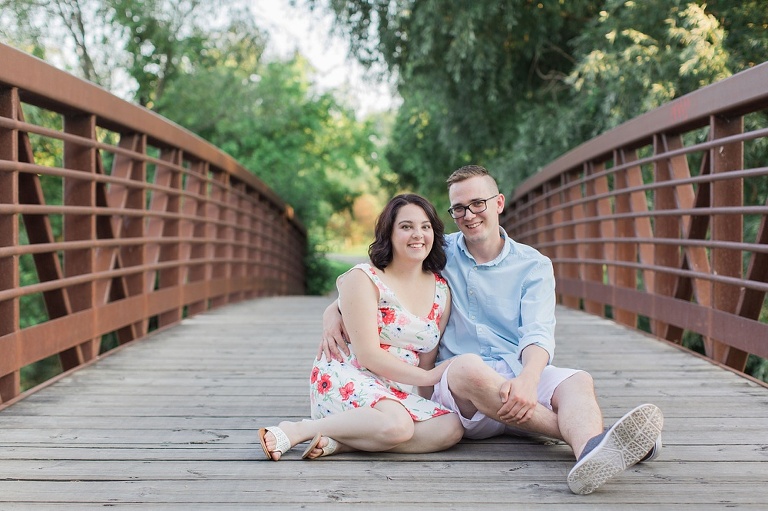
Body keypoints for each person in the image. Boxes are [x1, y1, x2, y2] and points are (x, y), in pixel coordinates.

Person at [320, 165, 664, 494]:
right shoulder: (438, 250)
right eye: (459, 208)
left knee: (578, 381)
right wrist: (334, 308)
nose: (469, 215)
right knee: (468, 365)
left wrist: (528, 380)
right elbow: (380, 277)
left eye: (478, 204)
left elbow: (538, 333)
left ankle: (589, 455)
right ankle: (601, 438)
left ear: (498, 203)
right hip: (458, 390)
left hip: (515, 376)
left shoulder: (534, 265)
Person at [259, 193, 464, 461]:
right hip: (350, 375)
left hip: (396, 390)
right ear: (388, 233)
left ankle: (342, 442)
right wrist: (428, 378)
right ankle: (300, 429)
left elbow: (426, 362)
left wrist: (427, 399)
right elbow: (368, 355)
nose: (418, 234)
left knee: (450, 428)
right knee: (399, 426)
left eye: (425, 227)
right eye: (406, 226)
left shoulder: (441, 291)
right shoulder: (364, 278)